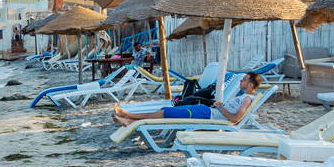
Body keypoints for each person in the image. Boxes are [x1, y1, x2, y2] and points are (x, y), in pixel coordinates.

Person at [112, 73, 262, 127]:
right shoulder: (244, 97)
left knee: (166, 113)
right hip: (206, 111)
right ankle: (129, 119)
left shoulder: (247, 99)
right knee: (166, 111)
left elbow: (235, 118)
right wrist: (221, 106)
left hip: (206, 114)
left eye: (243, 80)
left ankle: (129, 116)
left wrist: (220, 107)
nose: (241, 81)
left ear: (250, 85)